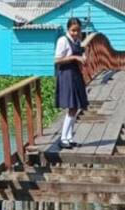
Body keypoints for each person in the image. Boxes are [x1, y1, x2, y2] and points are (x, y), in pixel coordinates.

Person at [54, 17, 88, 150]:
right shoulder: (62, 40)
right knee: (72, 106)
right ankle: (63, 138)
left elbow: (81, 52)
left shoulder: (77, 40)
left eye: (78, 30)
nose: (75, 33)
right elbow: (57, 60)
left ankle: (69, 138)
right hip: (67, 75)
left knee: (76, 107)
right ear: (68, 29)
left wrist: (82, 57)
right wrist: (74, 57)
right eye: (73, 30)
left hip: (75, 74)